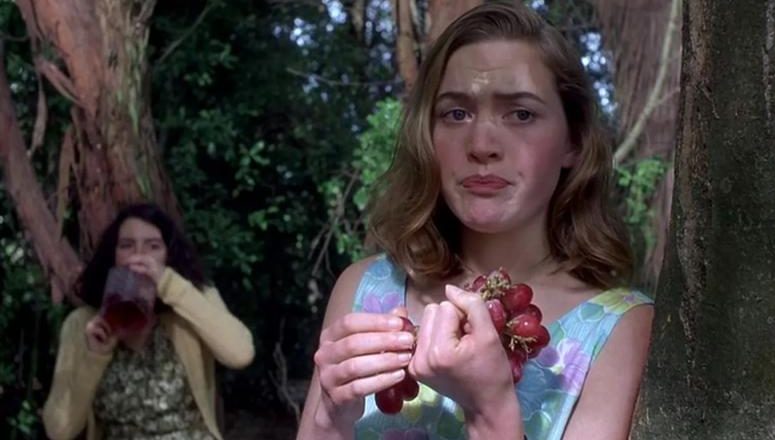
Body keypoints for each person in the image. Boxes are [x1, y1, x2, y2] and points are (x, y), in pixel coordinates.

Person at [298, 2, 654, 439]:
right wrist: (328, 421)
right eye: (456, 113)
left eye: (521, 114)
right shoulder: (363, 289)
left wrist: (491, 413)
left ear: (573, 142)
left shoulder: (619, 329)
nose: (482, 144)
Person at [42, 203, 254, 440]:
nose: (138, 256)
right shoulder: (84, 324)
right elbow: (59, 430)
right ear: (113, 257)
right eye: (127, 246)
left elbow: (241, 354)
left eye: (153, 246)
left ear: (168, 256)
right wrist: (94, 357)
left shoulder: (192, 303)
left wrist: (168, 283)